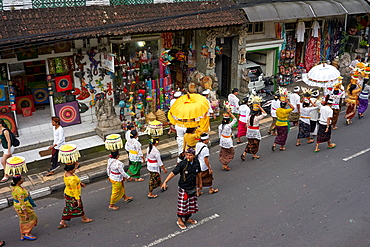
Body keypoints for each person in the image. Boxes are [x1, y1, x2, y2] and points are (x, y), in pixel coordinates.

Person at [161, 148, 202, 230]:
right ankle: (179, 220)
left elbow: (199, 173)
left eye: (190, 155)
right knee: (183, 205)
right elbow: (173, 172)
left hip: (192, 186)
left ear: (194, 155)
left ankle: (187, 218)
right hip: (184, 187)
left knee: (190, 204)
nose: (188, 157)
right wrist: (165, 181)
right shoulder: (182, 164)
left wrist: (200, 183)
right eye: (187, 155)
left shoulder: (196, 162)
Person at [58, 162, 93, 229]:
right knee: (79, 207)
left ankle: (63, 221)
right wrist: (78, 199)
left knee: (68, 208)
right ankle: (84, 218)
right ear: (71, 170)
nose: (75, 169)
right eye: (74, 168)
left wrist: (80, 183)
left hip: (67, 193)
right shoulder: (72, 179)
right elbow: (75, 190)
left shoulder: (67, 174)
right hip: (73, 196)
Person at [11, 175, 38, 241]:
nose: (23, 179)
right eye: (22, 179)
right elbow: (22, 204)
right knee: (33, 218)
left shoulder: (15, 187)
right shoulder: (19, 191)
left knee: (23, 220)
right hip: (23, 207)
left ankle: (22, 235)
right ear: (19, 181)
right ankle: (27, 233)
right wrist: (26, 213)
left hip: (17, 207)